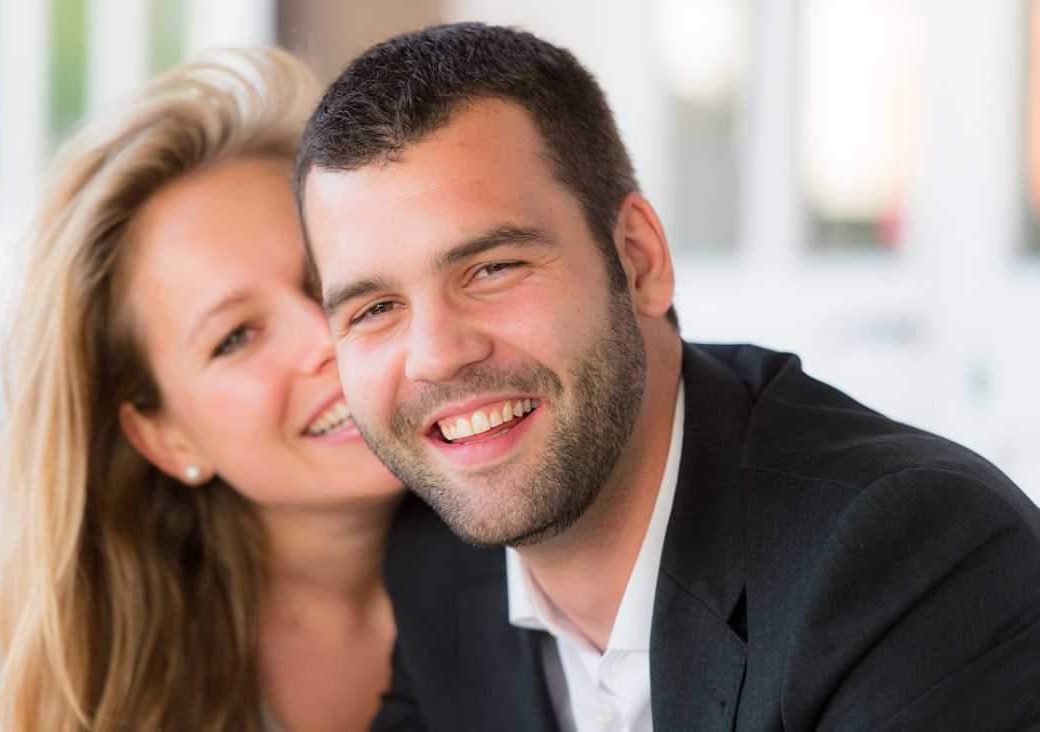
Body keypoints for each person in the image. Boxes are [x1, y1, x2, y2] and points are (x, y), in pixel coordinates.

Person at [294, 23, 1040, 731]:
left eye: (492, 268)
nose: (435, 355)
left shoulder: (914, 557)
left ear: (639, 260)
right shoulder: (435, 564)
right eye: (375, 307)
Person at [0, 47, 403, 732]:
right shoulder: (100, 706)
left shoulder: (556, 561)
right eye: (235, 336)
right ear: (164, 437)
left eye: (326, 278)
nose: (324, 339)